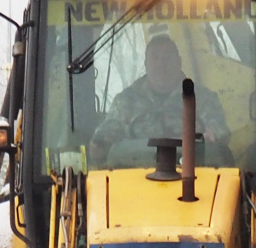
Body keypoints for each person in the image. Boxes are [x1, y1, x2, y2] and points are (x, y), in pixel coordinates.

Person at [91, 34, 229, 164]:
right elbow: (102, 140)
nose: (160, 64)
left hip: (194, 178)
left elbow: (220, 131)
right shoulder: (125, 102)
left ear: (179, 62)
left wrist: (209, 136)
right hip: (134, 178)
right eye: (155, 58)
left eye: (167, 58)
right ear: (146, 64)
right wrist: (101, 143)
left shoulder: (202, 98)